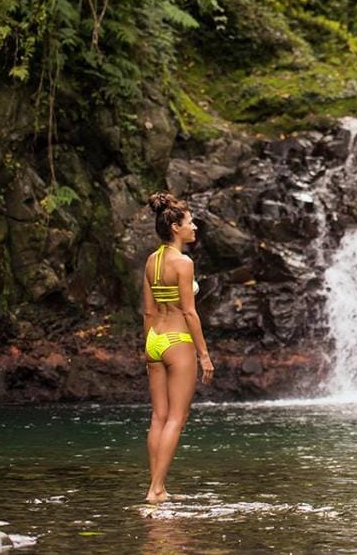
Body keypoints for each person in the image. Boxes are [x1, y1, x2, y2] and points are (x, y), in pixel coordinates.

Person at [142, 191, 213, 504]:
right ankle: (155, 489)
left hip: (155, 340)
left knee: (158, 417)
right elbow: (189, 312)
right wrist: (205, 356)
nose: (194, 226)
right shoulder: (183, 263)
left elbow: (148, 311)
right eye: (190, 221)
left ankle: (158, 486)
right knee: (176, 419)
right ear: (175, 228)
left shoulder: (151, 261)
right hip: (178, 341)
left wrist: (148, 347)